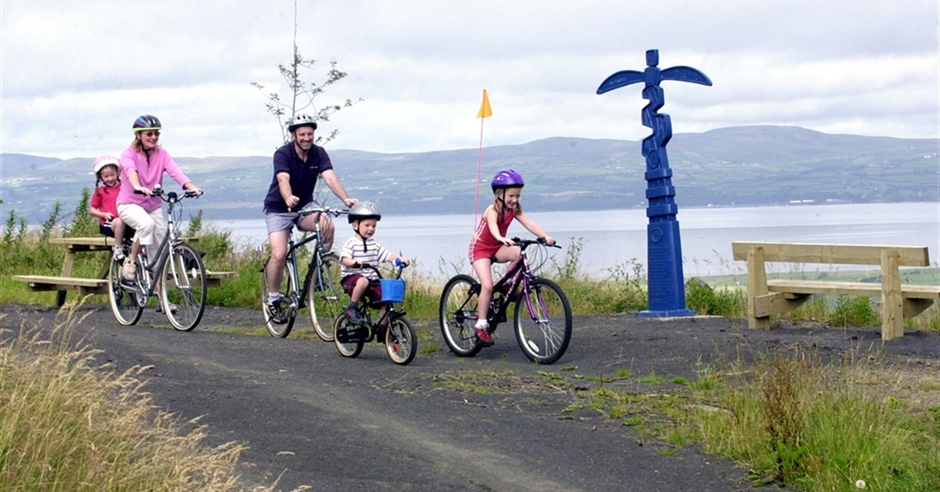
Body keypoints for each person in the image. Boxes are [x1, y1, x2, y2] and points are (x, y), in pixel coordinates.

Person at [263, 114, 358, 312]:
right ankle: (273, 298)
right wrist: (288, 197)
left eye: (310, 134)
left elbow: (330, 178)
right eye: (302, 134)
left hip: (305, 206)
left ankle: (318, 271)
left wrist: (345, 199)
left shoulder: (319, 153)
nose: (307, 138)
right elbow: (283, 179)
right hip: (279, 209)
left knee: (326, 224)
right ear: (293, 136)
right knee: (279, 254)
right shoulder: (282, 154)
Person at [116, 115, 202, 294]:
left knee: (159, 251)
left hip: (153, 205)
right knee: (147, 225)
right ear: (139, 135)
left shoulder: (162, 154)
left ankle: (163, 299)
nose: (153, 137)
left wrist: (190, 187)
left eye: (156, 134)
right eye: (149, 134)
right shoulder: (128, 153)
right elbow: (130, 171)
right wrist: (137, 186)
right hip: (129, 204)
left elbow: (175, 171)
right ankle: (130, 261)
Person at [468, 169, 554, 347]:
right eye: (511, 195)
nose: (514, 200)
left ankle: (507, 284)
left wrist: (545, 236)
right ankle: (481, 325)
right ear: (499, 194)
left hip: (497, 247)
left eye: (518, 195)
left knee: (518, 253)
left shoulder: (514, 209)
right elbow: (492, 226)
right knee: (488, 285)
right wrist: (500, 237)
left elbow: (529, 223)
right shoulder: (492, 210)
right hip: (481, 249)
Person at [338, 201, 410, 324]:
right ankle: (352, 307)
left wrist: (398, 259)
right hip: (352, 280)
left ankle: (382, 327)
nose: (371, 229)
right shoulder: (351, 243)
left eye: (373, 226)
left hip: (371, 280)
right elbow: (344, 259)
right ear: (356, 225)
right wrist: (354, 262)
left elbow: (387, 255)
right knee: (363, 281)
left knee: (388, 296)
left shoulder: (374, 245)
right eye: (367, 225)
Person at [89, 154, 127, 260]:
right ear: (101, 177)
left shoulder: (123, 186)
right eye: (106, 176)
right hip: (109, 223)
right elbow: (92, 210)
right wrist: (103, 214)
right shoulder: (100, 191)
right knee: (119, 222)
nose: (110, 178)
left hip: (125, 220)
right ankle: (118, 248)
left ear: (117, 173)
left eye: (112, 175)